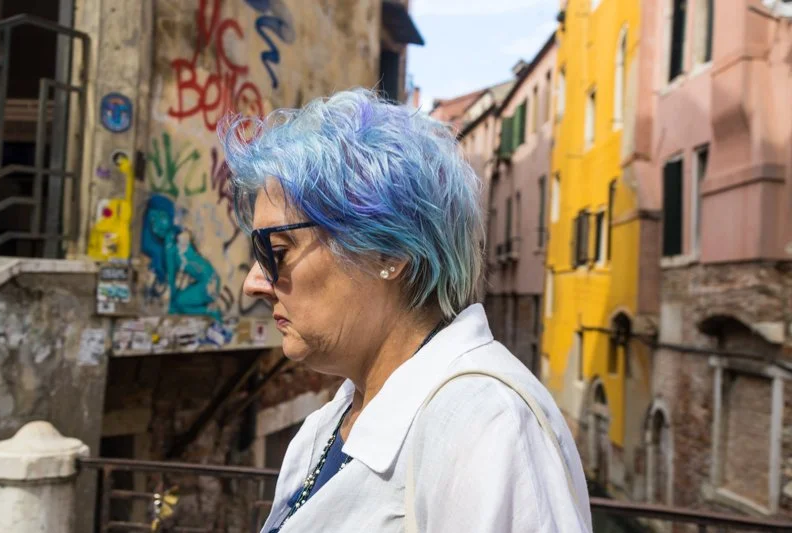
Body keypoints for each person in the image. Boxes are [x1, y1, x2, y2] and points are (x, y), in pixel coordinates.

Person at [220, 88, 593, 532]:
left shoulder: (486, 426)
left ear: (388, 252)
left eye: (276, 249)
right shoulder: (331, 423)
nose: (253, 283)